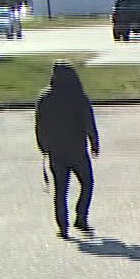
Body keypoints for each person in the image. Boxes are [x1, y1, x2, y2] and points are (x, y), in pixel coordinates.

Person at [35, 61, 99, 239]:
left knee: (60, 190)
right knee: (87, 183)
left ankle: (63, 227)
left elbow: (40, 125)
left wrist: (43, 146)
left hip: (56, 151)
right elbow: (88, 121)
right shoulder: (77, 96)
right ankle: (81, 216)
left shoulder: (45, 97)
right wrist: (94, 142)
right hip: (77, 150)